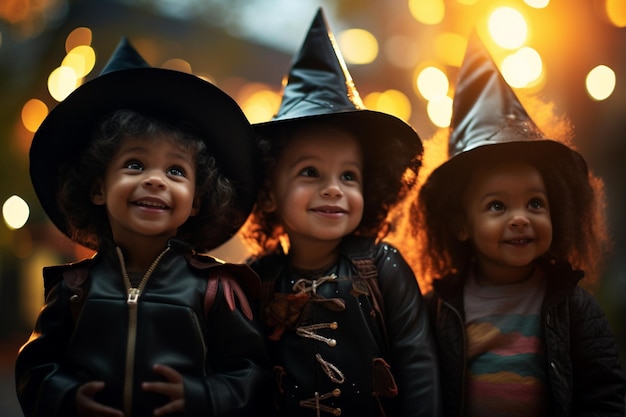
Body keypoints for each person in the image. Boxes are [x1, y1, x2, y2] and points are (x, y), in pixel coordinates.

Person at [15, 37, 269, 417]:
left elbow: (251, 372)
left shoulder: (217, 290)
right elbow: (36, 367)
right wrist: (66, 397)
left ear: (197, 199)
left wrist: (204, 397)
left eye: (176, 170)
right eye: (135, 164)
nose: (155, 180)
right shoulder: (73, 289)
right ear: (99, 188)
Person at [241, 8, 441, 417]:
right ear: (268, 190)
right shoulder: (253, 281)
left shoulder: (383, 269)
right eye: (310, 172)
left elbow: (419, 364)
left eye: (349, 176)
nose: (333, 188)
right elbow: (242, 376)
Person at [415, 31, 626, 417]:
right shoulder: (440, 308)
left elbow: (604, 392)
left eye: (535, 203)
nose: (520, 218)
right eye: (497, 206)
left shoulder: (572, 306)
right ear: (461, 225)